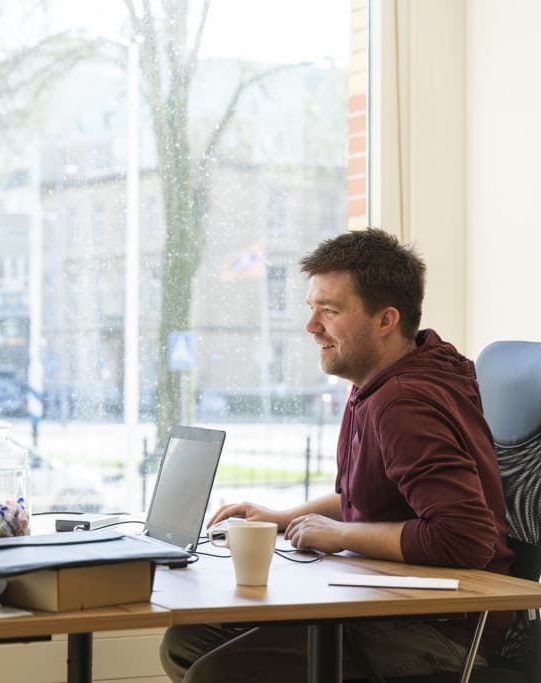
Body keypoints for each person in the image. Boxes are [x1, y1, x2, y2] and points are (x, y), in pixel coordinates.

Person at [160, 228, 514, 682]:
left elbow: (464, 537)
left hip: (440, 630)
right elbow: (366, 495)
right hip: (394, 605)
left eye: (330, 311)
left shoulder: (404, 403)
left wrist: (343, 534)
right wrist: (283, 517)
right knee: (188, 640)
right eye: (312, 309)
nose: (311, 327)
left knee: (218, 673)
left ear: (386, 320)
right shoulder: (380, 380)